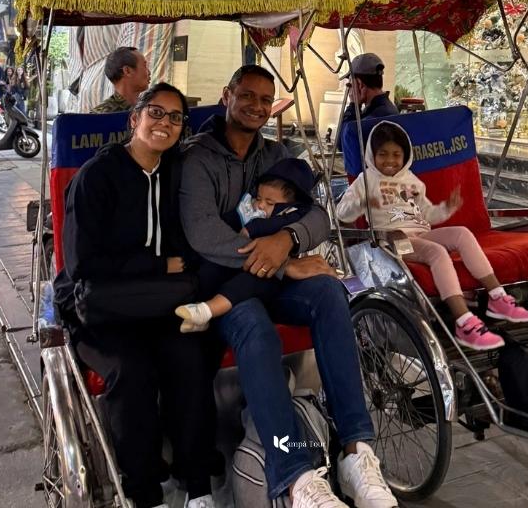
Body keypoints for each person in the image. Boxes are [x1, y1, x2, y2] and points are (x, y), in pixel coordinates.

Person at [180, 64, 399, 508]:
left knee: (330, 293)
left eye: (266, 99)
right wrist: (285, 265)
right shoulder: (196, 157)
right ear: (227, 95)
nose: (257, 107)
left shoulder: (277, 153)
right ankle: (295, 477)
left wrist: (288, 240)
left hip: (274, 276)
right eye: (248, 96)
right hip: (225, 287)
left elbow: (319, 214)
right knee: (255, 325)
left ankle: (356, 452)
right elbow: (204, 235)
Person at [54, 82, 219, 508]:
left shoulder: (177, 174)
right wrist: (157, 264)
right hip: (100, 306)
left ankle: (195, 481)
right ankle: (144, 491)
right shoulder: (97, 176)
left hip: (159, 302)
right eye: (156, 113)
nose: (165, 124)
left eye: (176, 117)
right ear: (135, 119)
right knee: (131, 371)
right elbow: (81, 264)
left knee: (191, 360)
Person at [336, 121, 528, 350]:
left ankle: (497, 296)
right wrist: (362, 202)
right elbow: (342, 212)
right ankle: (464, 322)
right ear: (372, 155)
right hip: (393, 240)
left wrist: (447, 208)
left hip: (420, 233)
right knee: (438, 252)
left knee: (462, 233)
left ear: (405, 156)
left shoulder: (411, 180)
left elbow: (427, 214)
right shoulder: (365, 180)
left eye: (396, 155)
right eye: (383, 154)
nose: (390, 161)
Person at [176, 158, 316, 332]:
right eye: (259, 198)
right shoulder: (251, 208)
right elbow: (229, 221)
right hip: (240, 262)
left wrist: (250, 229)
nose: (260, 205)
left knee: (246, 283)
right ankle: (200, 311)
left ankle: (207, 310)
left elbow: (268, 225)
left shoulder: (291, 215)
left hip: (267, 274)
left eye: (270, 203)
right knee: (212, 270)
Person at [338, 53, 398, 150]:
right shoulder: (387, 108)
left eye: (350, 84)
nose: (349, 89)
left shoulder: (373, 118)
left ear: (359, 84)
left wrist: (353, 105)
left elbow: (343, 144)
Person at [91, 46, 151, 113]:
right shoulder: (99, 117)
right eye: (144, 66)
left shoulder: (149, 108)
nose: (149, 72)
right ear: (127, 71)